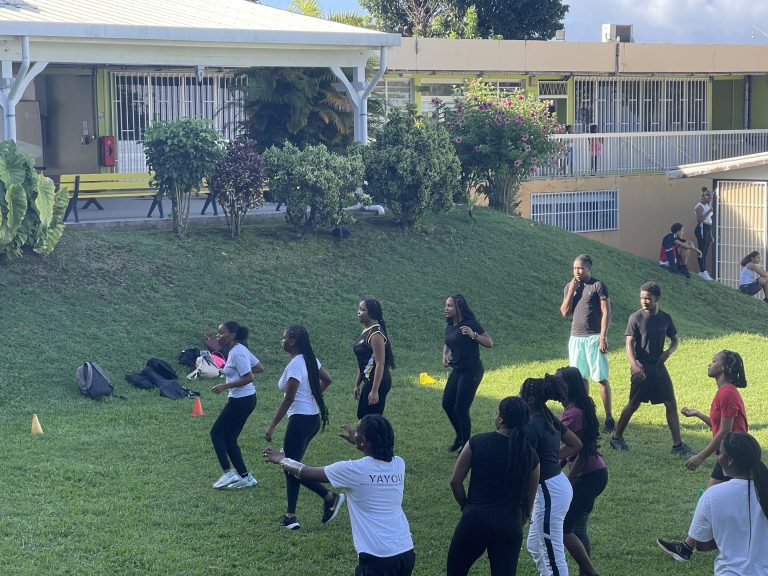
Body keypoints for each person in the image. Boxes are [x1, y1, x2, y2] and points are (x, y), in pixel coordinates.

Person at [263, 415, 416, 575]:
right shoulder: (399, 464)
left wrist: (282, 459)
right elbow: (376, 457)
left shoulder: (354, 470)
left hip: (377, 558)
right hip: (405, 551)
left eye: (358, 432)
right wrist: (359, 442)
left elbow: (305, 472)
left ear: (365, 440)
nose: (355, 433)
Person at [446, 396, 540, 576]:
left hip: (475, 519)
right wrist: (517, 522)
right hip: (509, 524)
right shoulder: (530, 455)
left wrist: (466, 506)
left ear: (501, 419)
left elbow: (455, 481)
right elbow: (529, 502)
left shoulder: (477, 442)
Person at [656, 432, 768, 574]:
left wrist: (728, 537)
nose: (717, 456)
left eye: (719, 452)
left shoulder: (712, 495)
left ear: (729, 460)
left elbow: (701, 544)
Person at [265, 325, 342, 530]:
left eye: (284, 338)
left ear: (292, 341)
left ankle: (329, 496)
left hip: (300, 421)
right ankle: (291, 516)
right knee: (291, 465)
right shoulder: (310, 359)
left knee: (290, 466)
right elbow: (327, 379)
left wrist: (272, 426)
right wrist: (311, 396)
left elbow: (289, 398)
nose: (282, 341)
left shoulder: (296, 365)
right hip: (312, 419)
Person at [609, 282, 693, 455]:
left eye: (648, 298)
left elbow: (675, 339)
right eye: (642, 298)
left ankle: (678, 446)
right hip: (642, 367)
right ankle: (616, 438)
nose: (644, 301)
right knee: (634, 403)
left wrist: (668, 352)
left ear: (657, 299)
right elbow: (629, 344)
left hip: (659, 366)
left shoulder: (665, 318)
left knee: (670, 403)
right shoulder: (635, 318)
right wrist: (634, 366)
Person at [521, 376, 582, 576]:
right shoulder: (547, 417)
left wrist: (547, 460)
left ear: (530, 400)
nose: (518, 397)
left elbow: (526, 467)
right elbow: (576, 444)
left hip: (549, 491)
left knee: (552, 554)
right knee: (534, 544)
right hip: (556, 485)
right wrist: (551, 458)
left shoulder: (531, 426)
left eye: (521, 394)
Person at [556, 366, 608, 576]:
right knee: (578, 529)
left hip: (588, 477)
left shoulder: (575, 414)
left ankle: (590, 572)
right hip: (594, 474)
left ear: (569, 386)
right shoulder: (574, 409)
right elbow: (570, 450)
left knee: (564, 529)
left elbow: (581, 452)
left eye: (559, 382)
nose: (555, 385)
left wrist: (568, 481)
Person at [560, 254, 614, 432]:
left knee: (601, 378)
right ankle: (586, 416)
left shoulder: (598, 285)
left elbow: (606, 312)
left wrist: (602, 337)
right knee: (580, 379)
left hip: (594, 337)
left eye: (581, 268)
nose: (577, 271)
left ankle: (608, 417)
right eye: (575, 268)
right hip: (576, 338)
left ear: (589, 268)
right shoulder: (570, 286)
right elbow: (564, 312)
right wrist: (571, 291)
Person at [680, 350, 748, 486]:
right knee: (717, 494)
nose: (709, 364)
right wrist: (698, 414)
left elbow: (725, 431)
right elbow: (722, 426)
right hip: (729, 452)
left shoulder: (727, 393)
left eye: (714, 361)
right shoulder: (724, 391)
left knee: (712, 494)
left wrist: (700, 457)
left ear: (724, 367)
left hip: (734, 455)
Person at [210, 321, 264, 490]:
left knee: (216, 433)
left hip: (241, 400)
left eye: (221, 332)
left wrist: (225, 386)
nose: (218, 336)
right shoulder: (239, 349)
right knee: (230, 438)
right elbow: (259, 367)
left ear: (232, 335)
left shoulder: (237, 352)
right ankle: (246, 477)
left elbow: (249, 377)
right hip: (247, 399)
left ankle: (228, 473)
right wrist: (239, 372)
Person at [442, 294, 493, 453]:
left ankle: (466, 446)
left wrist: (473, 335)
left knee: (461, 408)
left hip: (472, 371)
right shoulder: (451, 324)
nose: (446, 308)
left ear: (459, 308)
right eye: (446, 305)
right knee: (447, 403)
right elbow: (448, 340)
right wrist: (445, 354)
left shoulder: (470, 323)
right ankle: (460, 436)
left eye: (449, 305)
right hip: (458, 369)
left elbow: (489, 342)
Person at [353, 299, 395, 419]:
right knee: (363, 416)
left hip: (378, 381)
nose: (358, 312)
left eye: (362, 310)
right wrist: (357, 384)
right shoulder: (366, 331)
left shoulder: (376, 333)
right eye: (359, 309)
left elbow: (380, 363)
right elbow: (363, 361)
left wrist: (375, 390)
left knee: (370, 419)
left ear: (371, 313)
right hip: (369, 380)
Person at [694, 187, 715, 280]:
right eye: (709, 198)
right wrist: (709, 211)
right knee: (701, 251)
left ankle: (704, 270)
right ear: (704, 197)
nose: (710, 199)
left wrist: (711, 235)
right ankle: (702, 271)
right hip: (702, 229)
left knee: (705, 252)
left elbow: (709, 220)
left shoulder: (707, 205)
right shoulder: (699, 206)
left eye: (711, 198)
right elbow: (699, 220)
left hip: (708, 230)